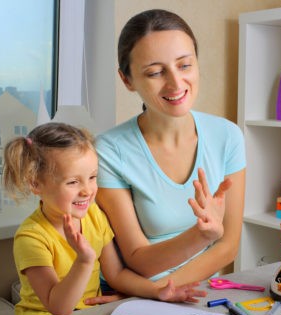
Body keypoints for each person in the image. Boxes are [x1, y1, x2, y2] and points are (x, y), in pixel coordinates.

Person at [94, 9, 246, 289]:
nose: (176, 83)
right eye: (155, 72)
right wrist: (201, 236)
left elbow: (228, 246)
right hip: (133, 294)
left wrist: (160, 292)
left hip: (188, 294)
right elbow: (139, 260)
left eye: (185, 65)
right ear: (127, 80)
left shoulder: (227, 136)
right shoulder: (108, 150)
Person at [3, 122, 206, 315]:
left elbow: (116, 274)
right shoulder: (31, 238)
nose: (87, 190)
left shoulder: (94, 215)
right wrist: (84, 260)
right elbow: (59, 309)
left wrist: (157, 291)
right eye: (73, 182)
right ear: (35, 184)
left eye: (92, 177)